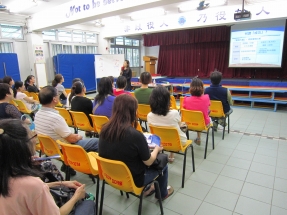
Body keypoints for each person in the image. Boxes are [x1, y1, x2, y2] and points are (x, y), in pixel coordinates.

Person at [0, 119, 89, 215]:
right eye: (33, 136)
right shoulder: (32, 184)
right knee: (88, 203)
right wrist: (77, 196)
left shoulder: (7, 174)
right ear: (22, 147)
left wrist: (60, 183)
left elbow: (24, 192)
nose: (35, 140)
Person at [99, 94, 174, 200]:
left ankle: (149, 187)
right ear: (133, 111)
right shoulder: (135, 135)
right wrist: (156, 149)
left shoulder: (104, 129)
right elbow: (148, 162)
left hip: (110, 176)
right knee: (163, 161)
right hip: (134, 180)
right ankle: (162, 194)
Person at [34, 86, 99, 153]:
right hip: (64, 149)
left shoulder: (37, 114)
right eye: (58, 95)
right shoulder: (56, 118)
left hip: (50, 149)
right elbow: (72, 139)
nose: (58, 96)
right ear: (54, 99)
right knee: (97, 142)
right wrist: (79, 136)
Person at [147, 86, 187, 162]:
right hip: (177, 143)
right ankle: (172, 155)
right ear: (168, 100)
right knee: (179, 128)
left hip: (159, 142)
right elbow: (179, 125)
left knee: (168, 130)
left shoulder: (149, 115)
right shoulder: (175, 113)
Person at [183, 78, 211, 145]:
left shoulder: (186, 99)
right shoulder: (206, 98)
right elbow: (208, 108)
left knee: (195, 115)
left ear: (191, 88)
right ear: (202, 88)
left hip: (188, 123)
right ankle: (198, 137)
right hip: (202, 124)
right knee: (203, 115)